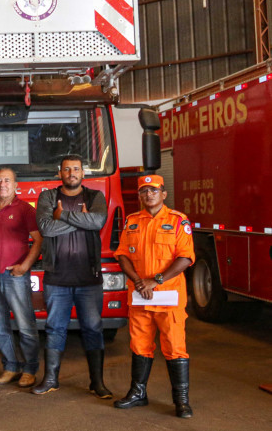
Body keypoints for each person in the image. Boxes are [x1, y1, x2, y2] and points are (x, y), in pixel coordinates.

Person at [114, 175, 195, 418]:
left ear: (163, 194)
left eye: (153, 190)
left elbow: (185, 258)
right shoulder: (132, 221)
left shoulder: (178, 221)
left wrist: (155, 280)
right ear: (139, 196)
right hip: (140, 298)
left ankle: (181, 401)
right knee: (139, 346)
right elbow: (122, 255)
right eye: (143, 191)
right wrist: (139, 281)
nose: (148, 194)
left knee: (175, 347)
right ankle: (138, 393)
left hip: (169, 297)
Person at [33, 155, 112, 398]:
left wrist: (63, 216)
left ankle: (97, 383)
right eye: (67, 169)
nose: (71, 173)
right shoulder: (47, 197)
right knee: (55, 328)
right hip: (57, 278)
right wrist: (82, 221)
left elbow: (98, 220)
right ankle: (50, 379)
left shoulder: (95, 197)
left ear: (82, 173)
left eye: (76, 169)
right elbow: (46, 228)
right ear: (60, 173)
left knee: (93, 328)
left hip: (89, 279)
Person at [0, 168, 43, 387]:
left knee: (25, 324)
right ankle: (10, 366)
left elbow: (38, 240)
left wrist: (25, 267)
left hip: (14, 276)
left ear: (16, 185)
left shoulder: (25, 209)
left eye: (7, 180)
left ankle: (30, 368)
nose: (2, 184)